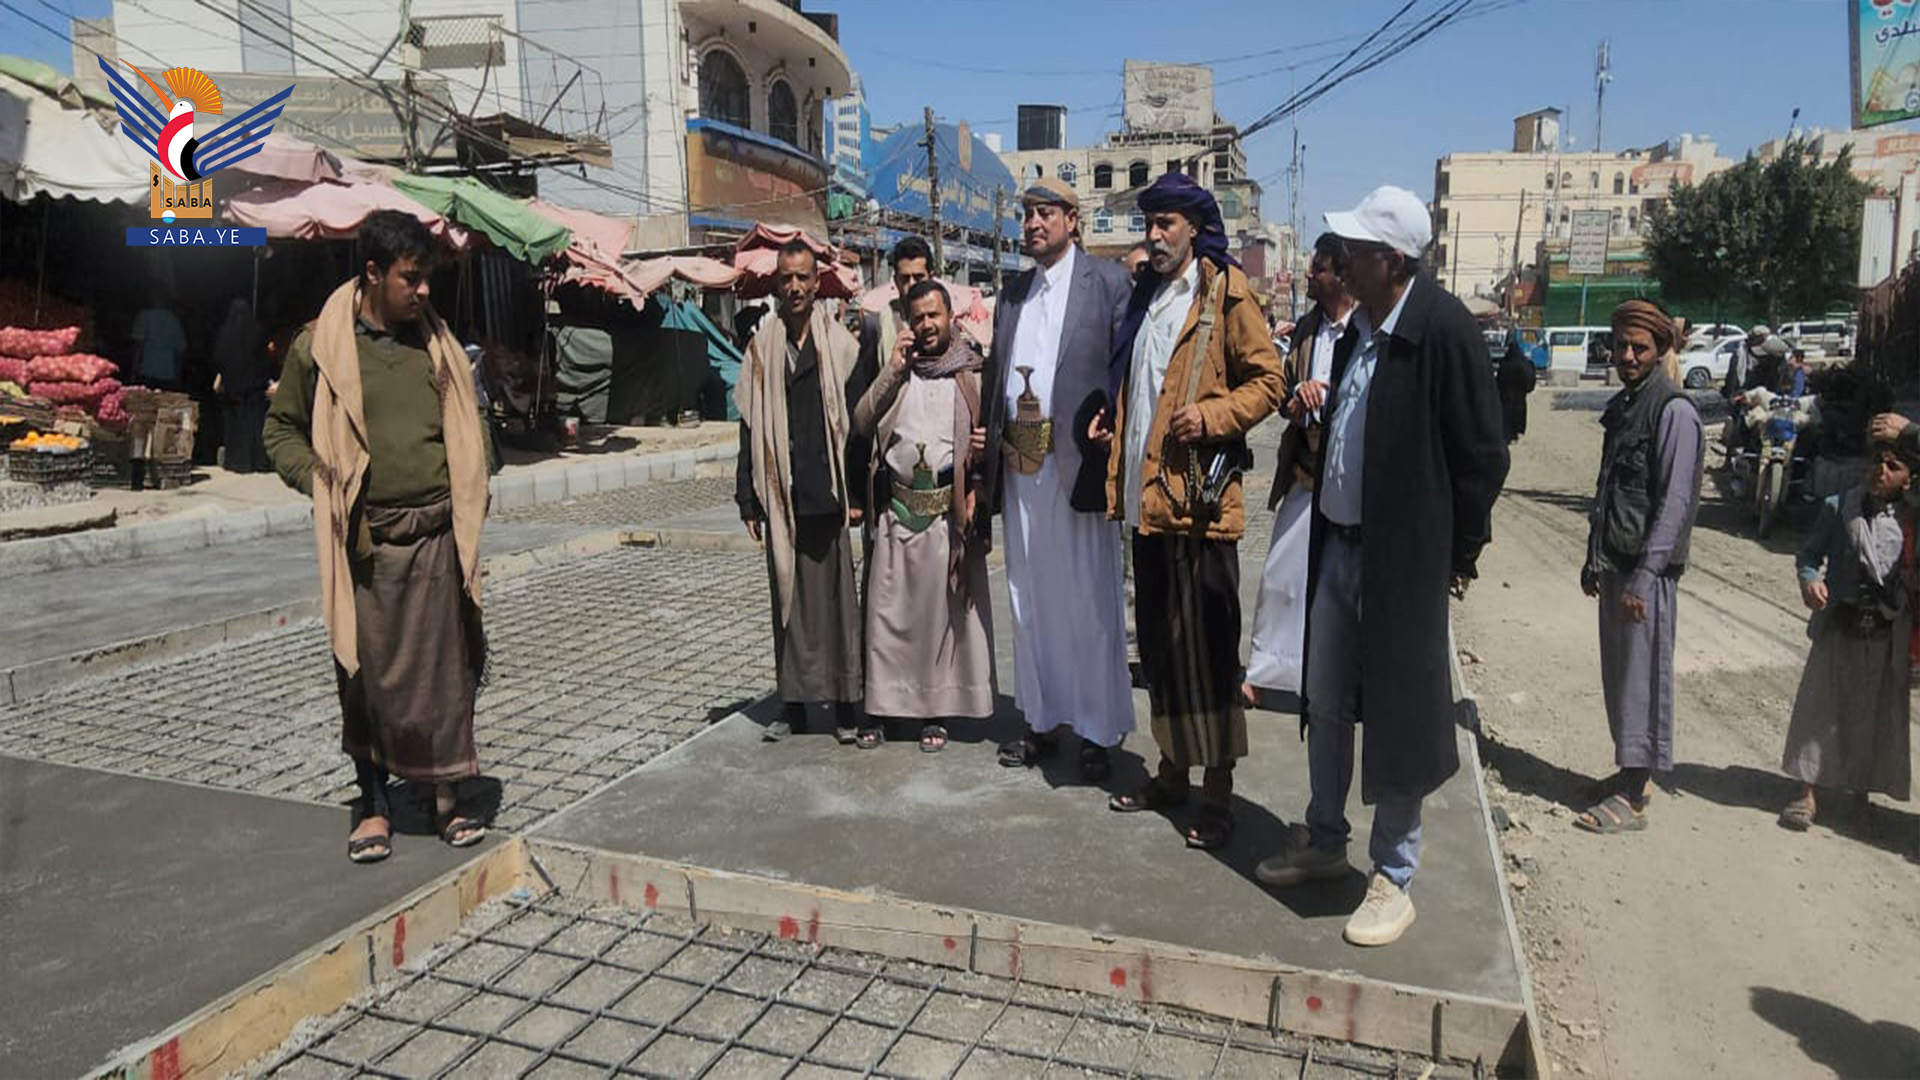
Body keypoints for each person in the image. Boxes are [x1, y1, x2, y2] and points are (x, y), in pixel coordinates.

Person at [1255, 185, 1509, 948]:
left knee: (1399, 713)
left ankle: (1393, 876)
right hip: (1337, 546)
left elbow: (1482, 456)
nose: (1342, 262)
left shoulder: (1442, 330)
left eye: (1357, 253)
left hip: (1402, 565)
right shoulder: (1357, 330)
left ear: (1392, 261)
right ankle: (1326, 837)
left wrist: (1458, 552)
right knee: (1327, 699)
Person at [263, 210, 491, 864]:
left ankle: (447, 796)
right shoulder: (321, 347)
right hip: (365, 547)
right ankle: (373, 804)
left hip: (438, 537)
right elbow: (279, 431)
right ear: (372, 273)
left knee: (447, 676)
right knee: (364, 678)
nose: (424, 291)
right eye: (410, 279)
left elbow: (471, 419)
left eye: (427, 279)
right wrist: (323, 482)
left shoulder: (438, 344)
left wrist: (476, 464)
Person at [1095, 172, 1285, 850]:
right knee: (1160, 651)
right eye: (1149, 224)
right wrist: (1113, 423)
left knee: (1208, 652)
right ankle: (1172, 772)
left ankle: (1218, 791)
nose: (1154, 235)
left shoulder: (1226, 293)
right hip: (1147, 505)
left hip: (1199, 508)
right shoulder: (1147, 297)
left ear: (1195, 230)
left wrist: (1212, 416)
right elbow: (1138, 386)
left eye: (1166, 224)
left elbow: (1270, 381)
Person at [983, 176, 1135, 781]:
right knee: (1030, 598)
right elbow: (996, 373)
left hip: (1080, 467)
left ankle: (1097, 730)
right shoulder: (1012, 293)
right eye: (1027, 214)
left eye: (1045, 213)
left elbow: (1125, 370)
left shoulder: (1109, 283)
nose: (1033, 224)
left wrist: (1115, 427)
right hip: (1022, 465)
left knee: (1089, 600)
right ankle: (1040, 720)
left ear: (1073, 220)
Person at [1575, 299, 1704, 835]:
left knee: (1642, 682)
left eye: (1639, 348)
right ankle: (1630, 772)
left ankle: (1634, 795)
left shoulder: (1673, 412)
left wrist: (1646, 578)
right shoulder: (1626, 406)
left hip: (1644, 576)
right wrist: (1594, 561)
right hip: (1617, 566)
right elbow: (1610, 489)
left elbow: (1674, 504)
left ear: (1660, 350)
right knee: (1620, 678)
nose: (1627, 356)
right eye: (1621, 346)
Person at [852, 281, 995, 751]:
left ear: (951, 317)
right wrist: (892, 371)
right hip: (897, 512)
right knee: (888, 618)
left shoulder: (970, 373)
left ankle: (935, 713)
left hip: (946, 517)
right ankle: (884, 710)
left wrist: (982, 456)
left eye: (934, 315)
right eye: (919, 318)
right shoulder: (899, 372)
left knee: (939, 623)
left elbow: (991, 439)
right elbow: (860, 422)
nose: (927, 324)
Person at [736, 239, 866, 744]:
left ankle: (847, 708)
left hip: (829, 493)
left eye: (803, 278)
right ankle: (793, 708)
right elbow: (749, 426)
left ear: (817, 284)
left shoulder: (841, 345)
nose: (794, 287)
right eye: (786, 278)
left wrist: (857, 494)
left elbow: (856, 426)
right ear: (777, 284)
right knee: (788, 604)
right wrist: (747, 498)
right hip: (782, 494)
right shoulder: (761, 348)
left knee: (838, 608)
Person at [1243, 233, 1358, 713]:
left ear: (1342, 276)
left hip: (1350, 479)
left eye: (1319, 269)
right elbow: (1283, 392)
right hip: (1305, 471)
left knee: (1344, 586)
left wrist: (1329, 394)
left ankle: (1343, 683)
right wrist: (1298, 399)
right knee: (1281, 578)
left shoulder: (1365, 329)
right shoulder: (1307, 330)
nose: (1308, 275)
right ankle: (1264, 674)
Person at [1776, 440, 1915, 831]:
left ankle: (1860, 795)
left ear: (1908, 480)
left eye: (1893, 466)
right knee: (1819, 708)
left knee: (1872, 715)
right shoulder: (1839, 507)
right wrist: (1810, 581)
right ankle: (1807, 794)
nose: (1881, 471)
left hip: (1886, 632)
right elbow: (1809, 555)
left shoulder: (1911, 521)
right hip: (1839, 624)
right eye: (1877, 462)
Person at [212, 297, 272, 473]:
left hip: (233, 389)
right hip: (254, 389)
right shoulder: (256, 332)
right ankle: (258, 461)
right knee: (255, 425)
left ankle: (238, 461)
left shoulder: (226, 333)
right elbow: (264, 359)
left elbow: (219, 357)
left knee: (235, 427)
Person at [131, 289, 188, 390]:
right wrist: (178, 377)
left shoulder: (145, 316)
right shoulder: (174, 320)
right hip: (167, 375)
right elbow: (180, 352)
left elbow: (138, 347)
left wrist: (133, 372)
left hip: (146, 372)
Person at [1494, 327, 1537, 444]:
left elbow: (1498, 382)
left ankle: (1508, 436)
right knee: (1518, 418)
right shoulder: (1525, 364)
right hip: (1519, 400)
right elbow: (1530, 381)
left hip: (1506, 399)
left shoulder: (1505, 364)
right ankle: (1516, 435)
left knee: (1507, 419)